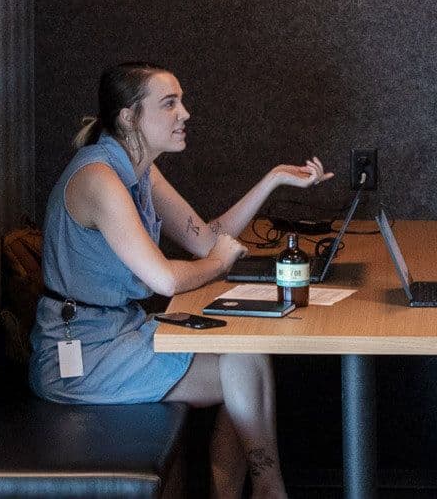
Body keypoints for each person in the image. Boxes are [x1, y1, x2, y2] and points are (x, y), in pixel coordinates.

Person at [29, 61, 334, 499]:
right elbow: (165, 280)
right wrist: (220, 263)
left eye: (181, 102)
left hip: (121, 333)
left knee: (246, 355)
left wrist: (274, 181)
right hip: (79, 355)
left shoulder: (139, 169)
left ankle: (252, 490)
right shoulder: (99, 179)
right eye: (169, 104)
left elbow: (206, 238)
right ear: (129, 117)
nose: (185, 113)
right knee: (243, 365)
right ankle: (268, 489)